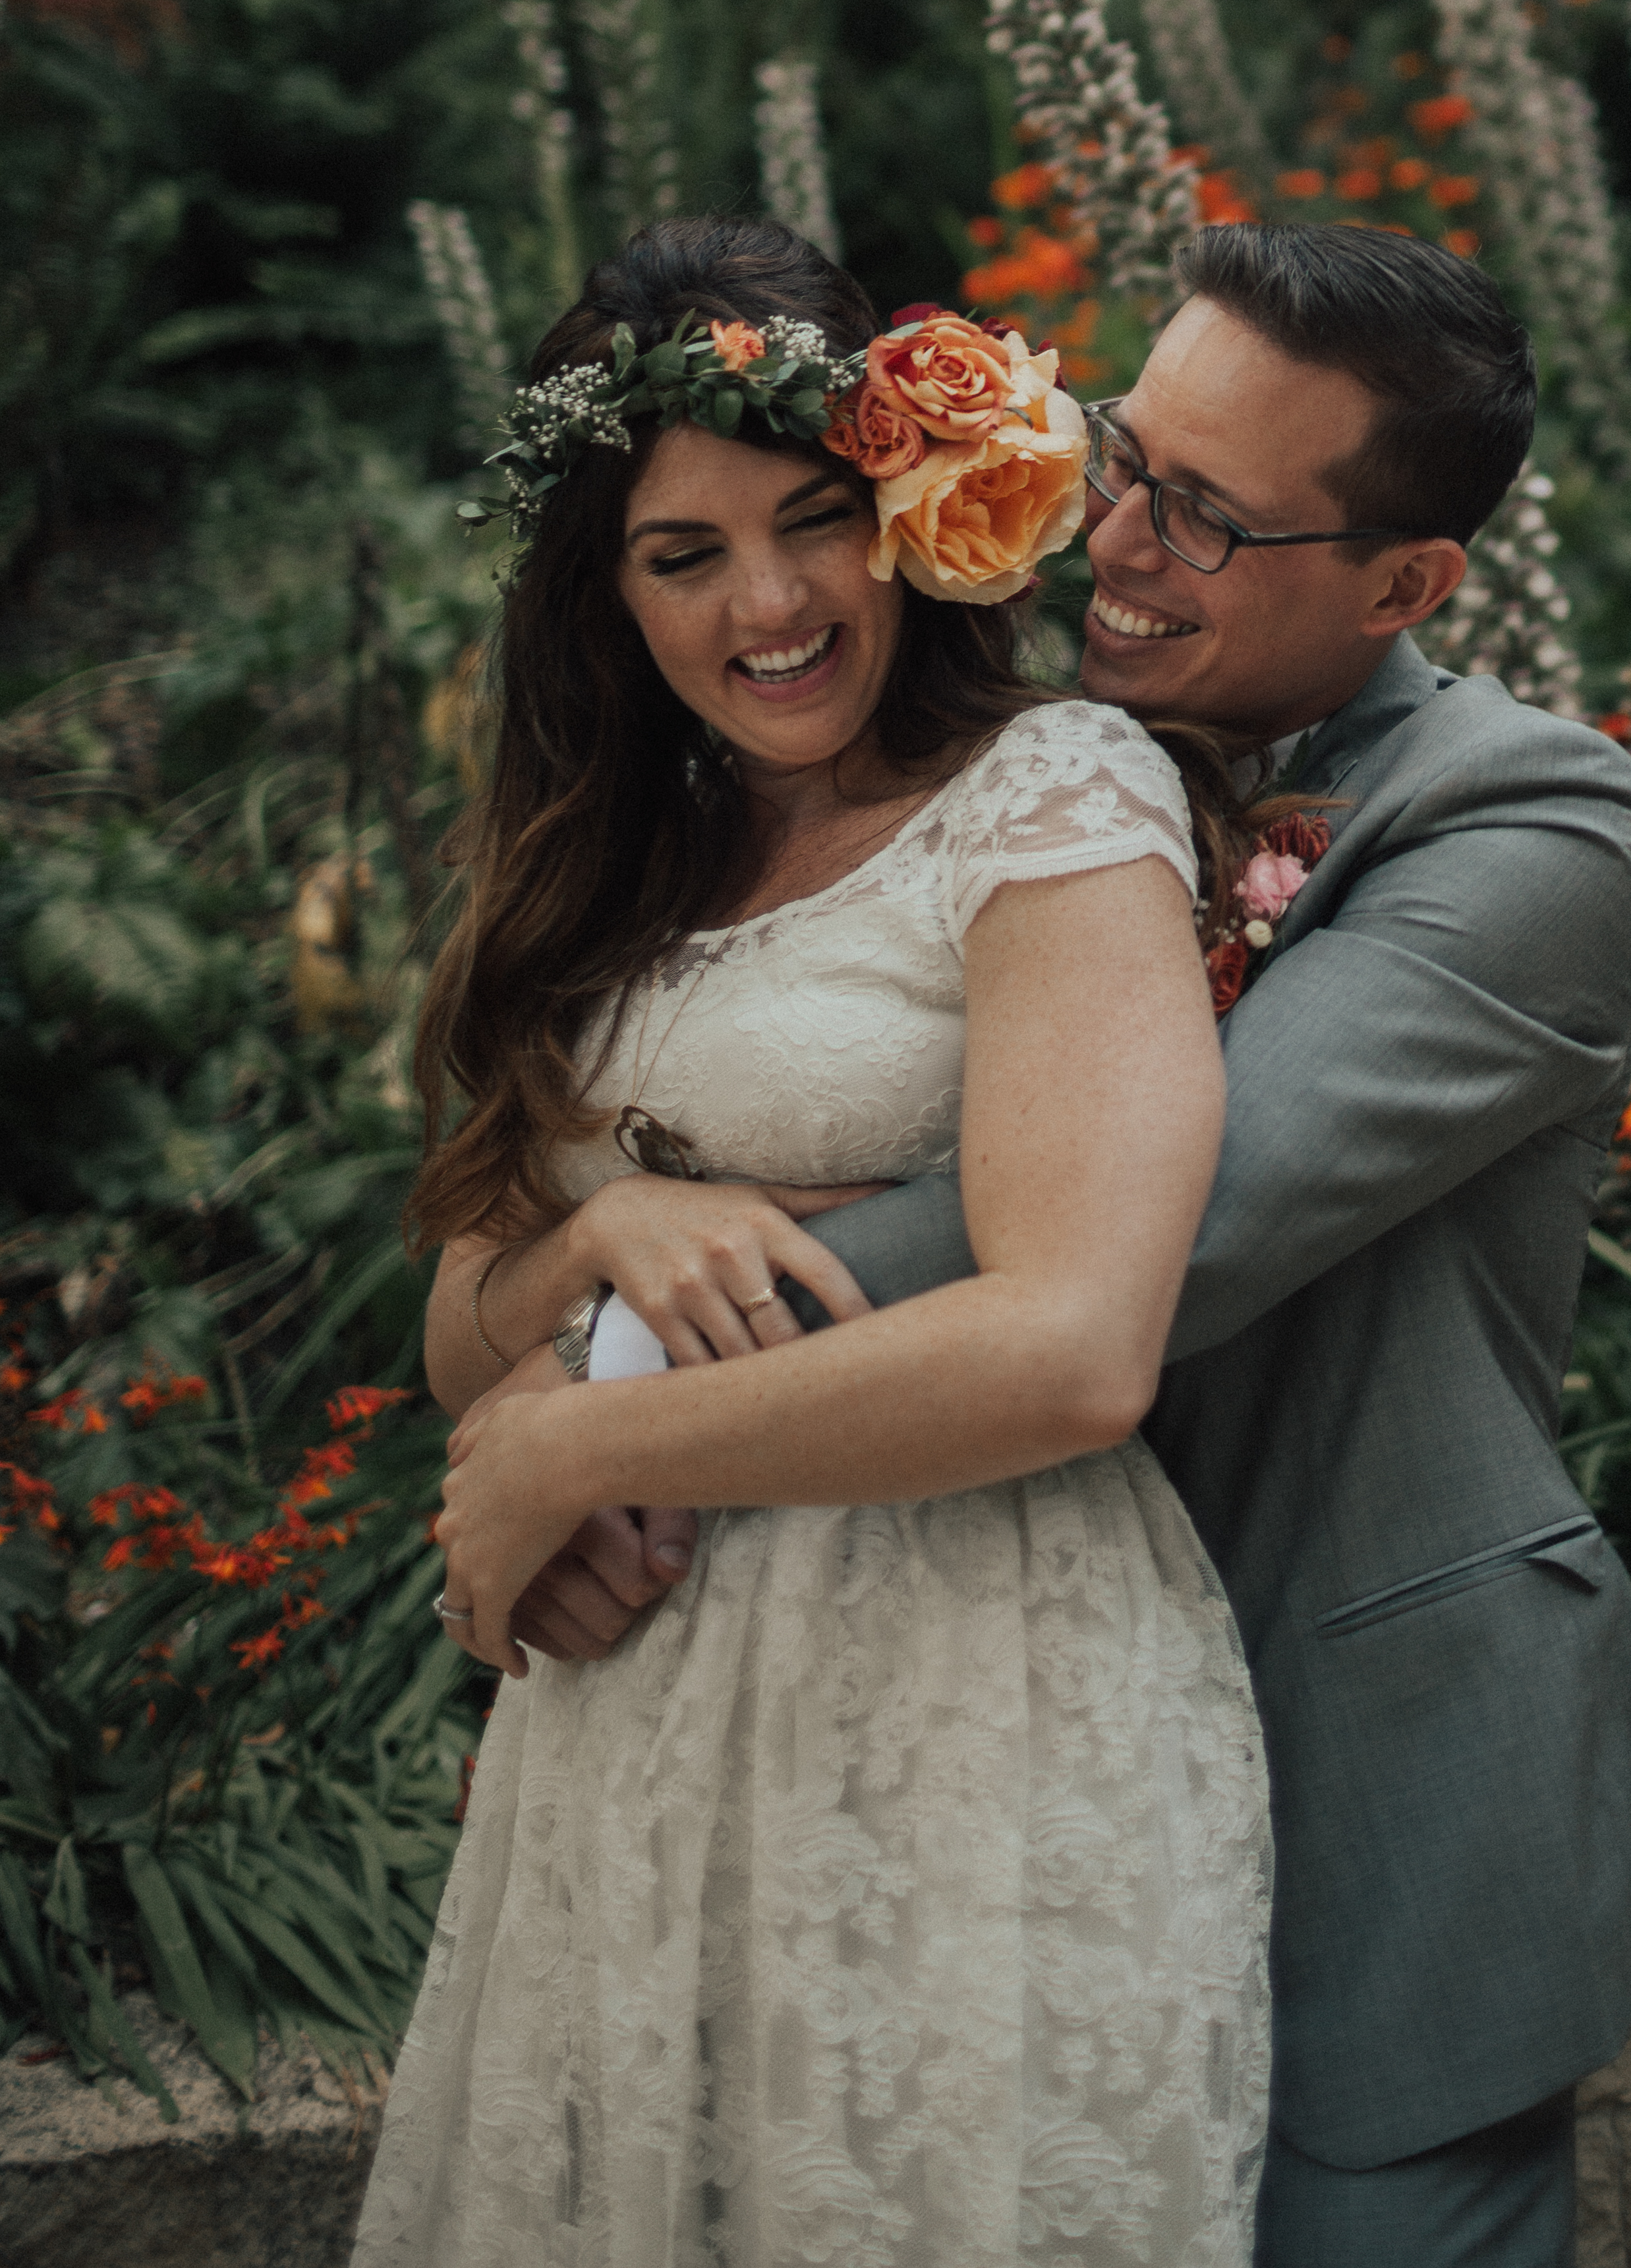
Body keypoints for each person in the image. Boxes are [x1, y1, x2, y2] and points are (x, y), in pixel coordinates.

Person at [532, 222, 1631, 2267]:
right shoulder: (984, 756)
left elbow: (1154, 1232)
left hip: (1370, 1769)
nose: (1115, 535)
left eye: (1208, 515)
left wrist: (612, 1386)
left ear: (1405, 583)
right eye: (1125, 451)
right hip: (985, 1758)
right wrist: (631, 1204)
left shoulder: (1531, 822)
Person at [351, 217, 1274, 2268]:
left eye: (816, 521)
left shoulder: (1047, 792)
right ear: (608, 590)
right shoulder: (627, 855)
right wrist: (618, 1231)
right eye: (683, 555)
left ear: (920, 509)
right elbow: (455, 1320)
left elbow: (1072, 1345)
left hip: (963, 1694)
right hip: (633, 1743)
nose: (767, 604)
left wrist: (576, 1452)